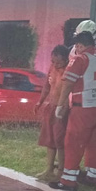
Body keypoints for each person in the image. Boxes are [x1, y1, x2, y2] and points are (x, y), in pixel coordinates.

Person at [50, 31, 96, 191]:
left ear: (79, 45)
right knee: (95, 143)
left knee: (73, 142)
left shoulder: (80, 59)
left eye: (77, 47)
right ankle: (94, 175)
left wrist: (60, 105)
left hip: (83, 108)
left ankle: (68, 180)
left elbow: (68, 83)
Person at [34, 45, 70, 182]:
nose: (55, 65)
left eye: (58, 62)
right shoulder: (52, 68)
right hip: (51, 106)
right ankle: (49, 169)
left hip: (63, 108)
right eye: (53, 61)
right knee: (49, 139)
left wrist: (63, 108)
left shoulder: (69, 71)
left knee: (60, 140)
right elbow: (47, 86)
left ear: (66, 60)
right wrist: (40, 101)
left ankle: (61, 170)